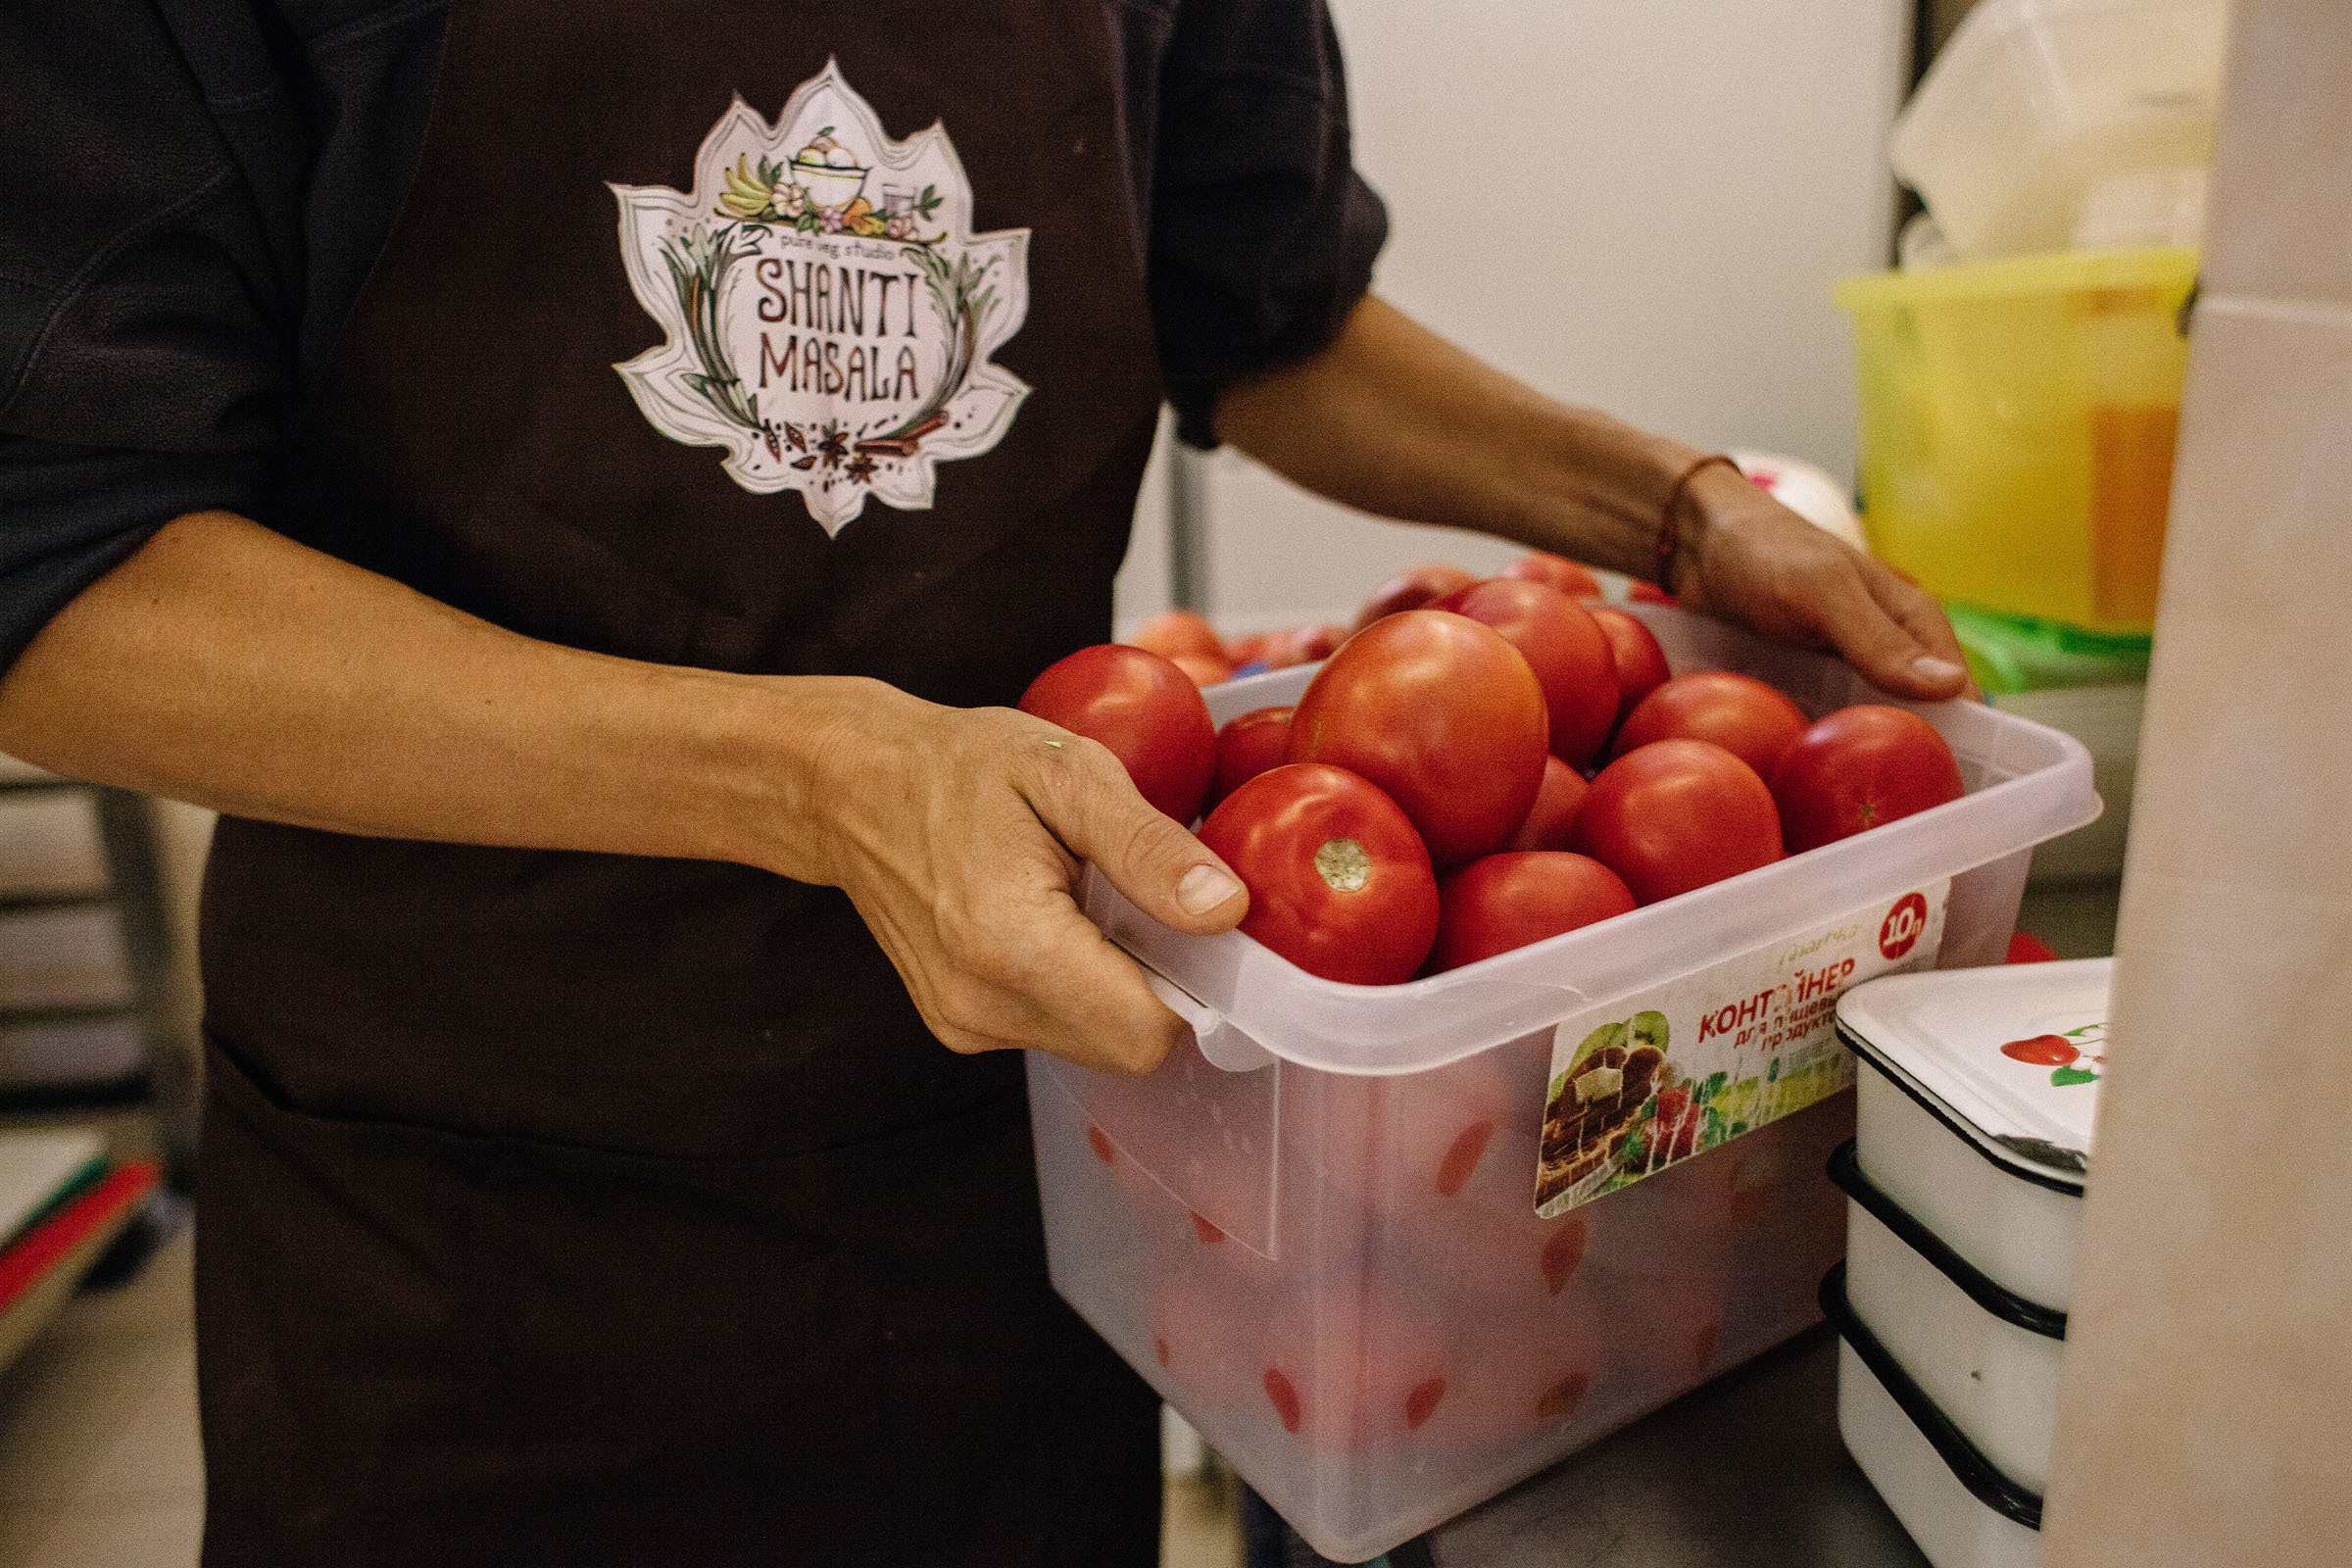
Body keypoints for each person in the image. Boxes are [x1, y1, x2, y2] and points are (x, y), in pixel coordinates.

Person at [0, 2, 1968, 1564]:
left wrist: (1676, 509)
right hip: (468, 1214)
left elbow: (1265, 309)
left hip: (1004, 1167)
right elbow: (61, 571)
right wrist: (818, 768)